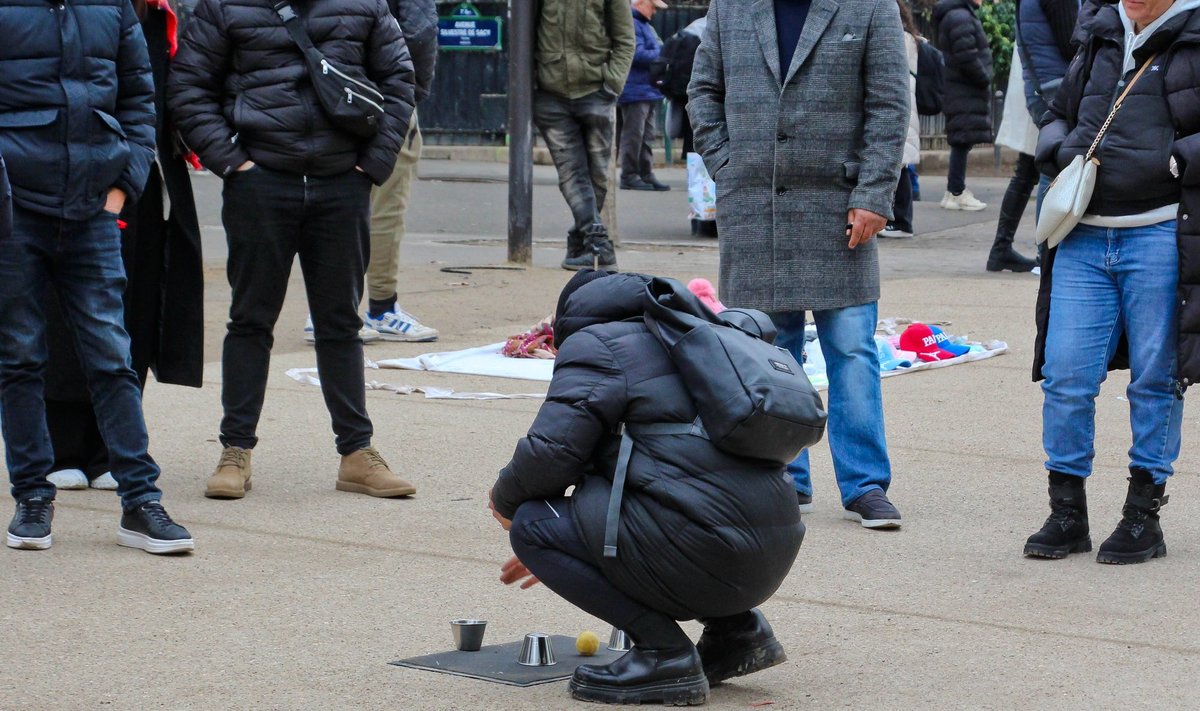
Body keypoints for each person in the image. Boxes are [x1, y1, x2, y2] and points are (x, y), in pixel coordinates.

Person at [490, 270, 804, 706]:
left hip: (703, 551)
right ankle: (739, 633)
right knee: (689, 488)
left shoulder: (598, 343)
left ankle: (664, 656)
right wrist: (578, 536)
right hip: (770, 550)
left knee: (532, 524)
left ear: (568, 318)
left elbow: (550, 454)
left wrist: (507, 505)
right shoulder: (706, 337)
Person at [170, 0, 419, 500]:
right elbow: (188, 87)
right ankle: (235, 450)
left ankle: (357, 453)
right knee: (250, 320)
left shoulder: (365, 4)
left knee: (340, 323)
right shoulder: (223, 6)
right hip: (261, 181)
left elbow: (399, 81)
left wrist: (371, 166)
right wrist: (233, 163)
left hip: (342, 182)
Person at [689, 0, 908, 527]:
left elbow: (889, 104)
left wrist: (875, 193)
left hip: (840, 203)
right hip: (755, 204)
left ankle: (865, 487)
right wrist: (727, 162)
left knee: (852, 349)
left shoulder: (871, 7)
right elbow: (702, 91)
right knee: (767, 351)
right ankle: (782, 478)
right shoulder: (730, 8)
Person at [0, 0, 194, 554]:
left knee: (113, 356)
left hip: (93, 211)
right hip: (13, 212)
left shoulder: (112, 7)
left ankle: (141, 501)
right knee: (19, 358)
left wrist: (121, 188)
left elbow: (140, 100)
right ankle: (32, 498)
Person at [1025, 0, 1200, 564]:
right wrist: (1056, 147)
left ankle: (1142, 518)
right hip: (1082, 234)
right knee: (1065, 374)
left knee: (1156, 377)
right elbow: (1057, 110)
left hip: (1159, 234)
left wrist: (1180, 159)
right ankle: (1066, 513)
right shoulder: (1100, 33)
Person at [43, 0, 205, 493]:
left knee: (133, 308)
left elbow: (161, 102)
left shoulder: (165, 16)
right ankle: (62, 446)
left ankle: (112, 446)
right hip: (62, 172)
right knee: (61, 307)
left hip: (140, 180)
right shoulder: (62, 12)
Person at [534, 0, 635, 270]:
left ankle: (581, 240)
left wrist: (612, 84)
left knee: (599, 176)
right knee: (571, 172)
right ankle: (599, 245)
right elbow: (526, 33)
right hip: (551, 95)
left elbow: (625, 39)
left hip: (596, 92)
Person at [362, 0, 441, 342]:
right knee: (385, 210)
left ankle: (326, 310)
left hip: (328, 91)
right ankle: (382, 307)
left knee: (332, 206)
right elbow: (419, 31)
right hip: (384, 94)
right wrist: (411, 91)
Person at [934, 0, 994, 211]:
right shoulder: (960, 16)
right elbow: (966, 54)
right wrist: (984, 77)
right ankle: (956, 192)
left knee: (962, 141)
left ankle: (954, 190)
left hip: (960, 88)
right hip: (965, 89)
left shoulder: (956, 14)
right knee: (962, 141)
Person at [985, 44, 1039, 272]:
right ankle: (1044, 252)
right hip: (1040, 88)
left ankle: (1001, 247)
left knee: (1027, 173)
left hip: (1035, 86)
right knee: (1037, 172)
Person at [618, 0, 670, 192]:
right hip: (636, 90)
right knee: (634, 135)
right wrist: (661, 53)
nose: (655, 11)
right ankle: (629, 175)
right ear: (640, 3)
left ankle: (645, 174)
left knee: (646, 136)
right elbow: (636, 53)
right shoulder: (632, 23)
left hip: (646, 89)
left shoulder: (643, 25)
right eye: (653, 6)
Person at [881, 0, 922, 239]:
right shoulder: (910, 37)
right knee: (902, 163)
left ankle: (902, 221)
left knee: (901, 164)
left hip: (903, 103)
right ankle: (900, 219)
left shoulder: (900, 37)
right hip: (908, 104)